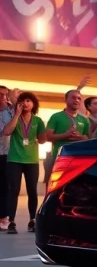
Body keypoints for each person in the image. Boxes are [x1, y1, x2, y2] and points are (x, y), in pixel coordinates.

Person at [2, 92, 46, 234]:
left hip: (32, 160)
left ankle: (32, 220)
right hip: (14, 159)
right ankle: (11, 222)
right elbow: (7, 132)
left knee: (32, 191)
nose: (25, 103)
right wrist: (16, 115)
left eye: (28, 101)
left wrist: (45, 133)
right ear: (18, 104)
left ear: (34, 104)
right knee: (13, 190)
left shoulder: (38, 121)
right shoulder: (14, 118)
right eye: (22, 101)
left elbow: (43, 140)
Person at [44, 89, 90, 184]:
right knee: (57, 187)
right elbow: (48, 137)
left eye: (79, 98)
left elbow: (88, 138)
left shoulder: (84, 120)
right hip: (60, 159)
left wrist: (79, 137)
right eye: (73, 98)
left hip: (78, 160)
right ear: (66, 100)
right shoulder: (56, 117)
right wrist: (65, 135)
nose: (76, 100)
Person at [0, 86, 12, 231]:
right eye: (0, 94)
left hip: (8, 154)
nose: (2, 97)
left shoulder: (12, 111)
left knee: (5, 187)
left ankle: (4, 217)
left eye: (5, 95)